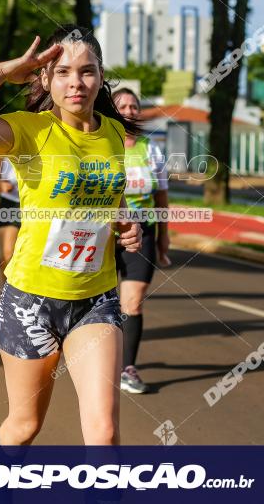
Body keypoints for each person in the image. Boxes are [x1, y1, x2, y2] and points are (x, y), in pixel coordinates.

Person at [0, 25, 142, 446]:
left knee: (104, 432)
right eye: (63, 71)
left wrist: (125, 221)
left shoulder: (110, 134)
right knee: (25, 426)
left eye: (87, 71)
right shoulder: (29, 130)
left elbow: (108, 197)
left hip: (96, 299)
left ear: (101, 76)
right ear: (45, 78)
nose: (76, 83)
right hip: (31, 301)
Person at [112, 88, 171, 394]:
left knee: (132, 302)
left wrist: (164, 239)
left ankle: (126, 368)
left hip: (142, 233)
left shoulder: (151, 149)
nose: (130, 110)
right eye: (122, 105)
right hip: (104, 235)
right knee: (99, 303)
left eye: (134, 106)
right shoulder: (102, 144)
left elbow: (161, 198)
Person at [0, 156, 21, 278]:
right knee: (8, 254)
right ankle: (6, 292)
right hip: (11, 204)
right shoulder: (4, 148)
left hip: (34, 207)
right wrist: (2, 184)